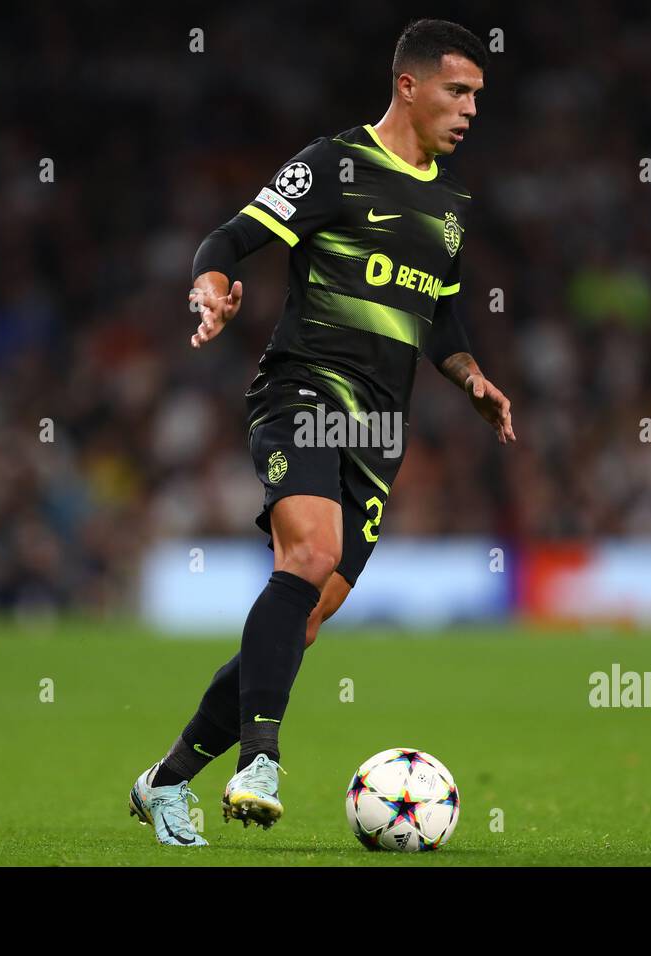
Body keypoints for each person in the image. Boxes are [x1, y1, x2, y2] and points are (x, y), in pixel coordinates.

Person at [130, 18, 514, 846]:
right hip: (303, 387)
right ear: (408, 86)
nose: (471, 108)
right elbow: (228, 239)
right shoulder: (333, 165)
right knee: (307, 556)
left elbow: (437, 316)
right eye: (458, 91)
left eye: (478, 95)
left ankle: (164, 782)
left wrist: (471, 377)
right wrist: (212, 289)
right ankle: (261, 760)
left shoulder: (449, 205)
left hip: (381, 425)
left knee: (301, 617)